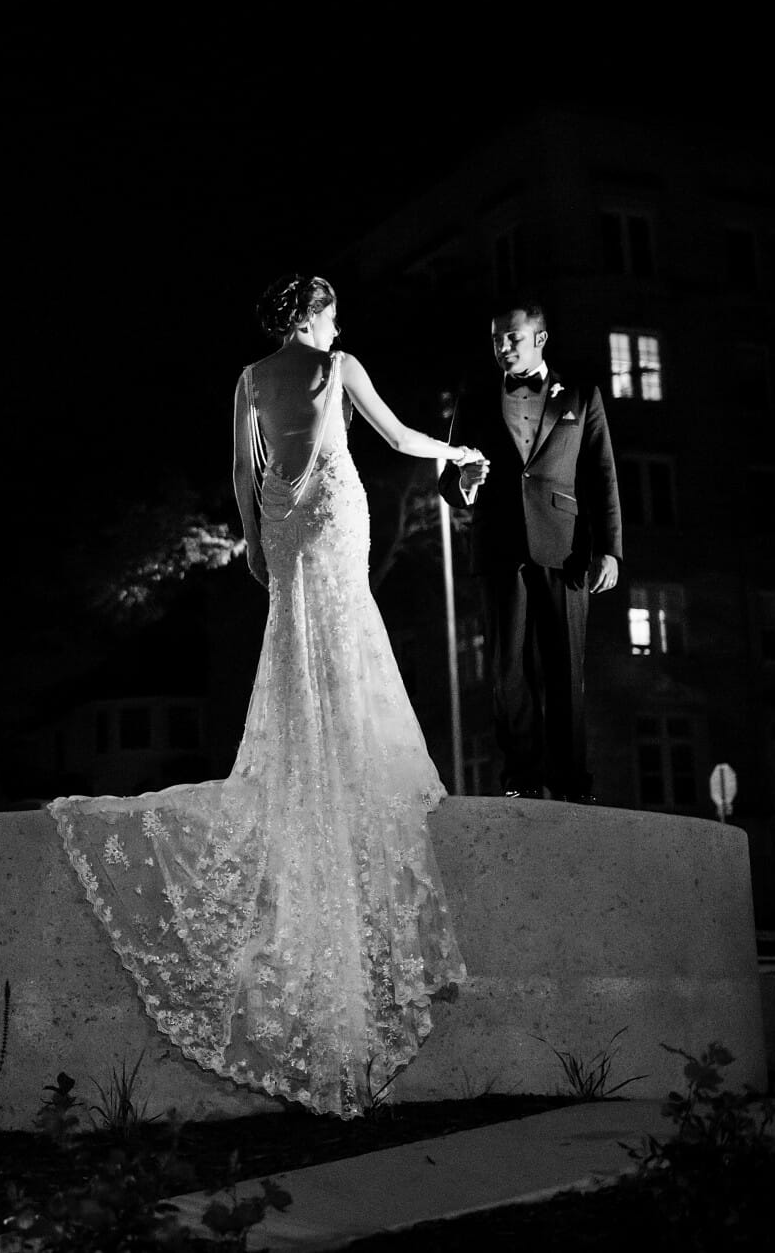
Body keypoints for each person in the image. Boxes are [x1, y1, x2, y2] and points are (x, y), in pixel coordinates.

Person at [48, 274, 473, 1119]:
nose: (337, 324)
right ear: (315, 317)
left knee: (295, 644)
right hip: (333, 511)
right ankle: (348, 760)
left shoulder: (248, 377)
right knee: (344, 630)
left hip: (282, 520)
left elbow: (241, 474)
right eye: (333, 313)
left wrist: (252, 540)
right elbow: (390, 434)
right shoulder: (336, 364)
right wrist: (453, 454)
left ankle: (305, 760)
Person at [437, 301, 622, 803]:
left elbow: (602, 474)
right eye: (496, 338)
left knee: (565, 670)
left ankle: (572, 783)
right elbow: (449, 486)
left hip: (565, 548)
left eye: (512, 338)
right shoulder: (474, 400)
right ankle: (520, 777)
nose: (502, 347)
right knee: (506, 670)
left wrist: (610, 549)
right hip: (497, 549)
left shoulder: (582, 395)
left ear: (540, 339)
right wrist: (465, 483)